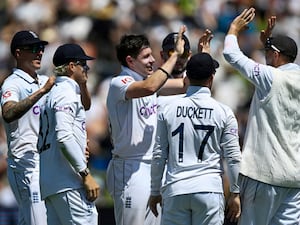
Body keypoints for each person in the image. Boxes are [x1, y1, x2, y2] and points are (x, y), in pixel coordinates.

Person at [149, 30, 242, 224]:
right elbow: (232, 157)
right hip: (209, 189)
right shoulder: (223, 112)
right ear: (212, 78)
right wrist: (235, 192)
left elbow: (159, 154)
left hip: (176, 189)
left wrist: (155, 190)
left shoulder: (168, 109)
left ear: (187, 77)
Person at [223, 8, 300, 225]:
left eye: (268, 54)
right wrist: (267, 43)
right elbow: (275, 78)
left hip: (263, 175)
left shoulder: (270, 77)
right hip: (293, 179)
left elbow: (231, 54)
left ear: (275, 55)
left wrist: (233, 30)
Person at [106, 25, 187, 225]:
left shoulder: (148, 80)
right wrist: (174, 55)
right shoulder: (119, 82)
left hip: (152, 169)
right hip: (129, 168)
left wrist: (203, 56)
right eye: (146, 56)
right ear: (130, 61)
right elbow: (150, 87)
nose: (152, 60)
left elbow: (186, 85)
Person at [37, 43, 100, 225]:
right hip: (68, 182)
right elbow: (63, 137)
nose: (87, 68)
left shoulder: (51, 94)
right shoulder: (66, 93)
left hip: (51, 182)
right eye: (84, 65)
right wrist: (86, 174)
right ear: (72, 66)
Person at [0, 30, 56, 225]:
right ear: (18, 53)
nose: (39, 52)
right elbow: (8, 113)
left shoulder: (43, 81)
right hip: (24, 164)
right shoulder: (12, 83)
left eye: (40, 48)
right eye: (33, 48)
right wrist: (42, 92)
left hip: (45, 162)